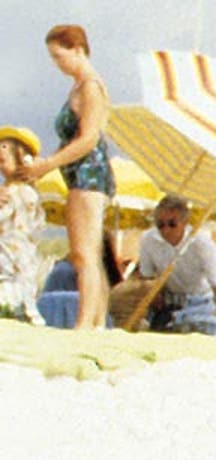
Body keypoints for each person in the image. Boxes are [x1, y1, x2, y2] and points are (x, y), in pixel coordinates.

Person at [16, 26, 112, 330]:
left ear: (78, 49)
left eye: (60, 56)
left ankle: (86, 324)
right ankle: (94, 322)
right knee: (88, 254)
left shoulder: (90, 87)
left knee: (84, 254)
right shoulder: (79, 86)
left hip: (89, 175)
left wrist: (48, 165)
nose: (57, 64)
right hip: (79, 175)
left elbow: (87, 139)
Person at [114, 194, 216, 334]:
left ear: (184, 222)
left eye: (172, 224)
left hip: (201, 303)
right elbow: (146, 278)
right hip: (169, 304)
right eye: (161, 225)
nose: (166, 230)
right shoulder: (148, 239)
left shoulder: (202, 243)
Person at [0, 126, 46, 322]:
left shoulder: (15, 192)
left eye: (3, 160)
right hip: (19, 260)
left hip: (10, 260)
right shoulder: (27, 192)